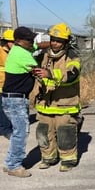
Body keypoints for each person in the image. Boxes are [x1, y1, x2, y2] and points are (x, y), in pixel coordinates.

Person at [33, 23, 82, 172]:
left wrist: (51, 74)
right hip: (45, 104)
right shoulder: (43, 54)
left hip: (65, 104)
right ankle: (48, 158)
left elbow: (73, 75)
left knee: (65, 133)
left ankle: (68, 160)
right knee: (43, 132)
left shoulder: (72, 56)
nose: (55, 43)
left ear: (66, 42)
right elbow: (27, 53)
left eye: (59, 40)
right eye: (53, 39)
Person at [2, 26, 39, 177]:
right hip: (16, 99)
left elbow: (36, 46)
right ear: (18, 41)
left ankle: (10, 161)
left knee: (18, 131)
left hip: (12, 98)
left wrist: (48, 43)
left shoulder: (20, 49)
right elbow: (39, 71)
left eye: (32, 38)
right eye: (28, 40)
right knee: (21, 132)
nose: (32, 42)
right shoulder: (22, 55)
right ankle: (14, 166)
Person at [0, 29, 15, 138]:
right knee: (2, 109)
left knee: (7, 109)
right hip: (1, 85)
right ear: (6, 41)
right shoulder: (1, 51)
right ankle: (6, 129)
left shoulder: (14, 52)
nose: (14, 44)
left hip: (9, 85)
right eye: (12, 41)